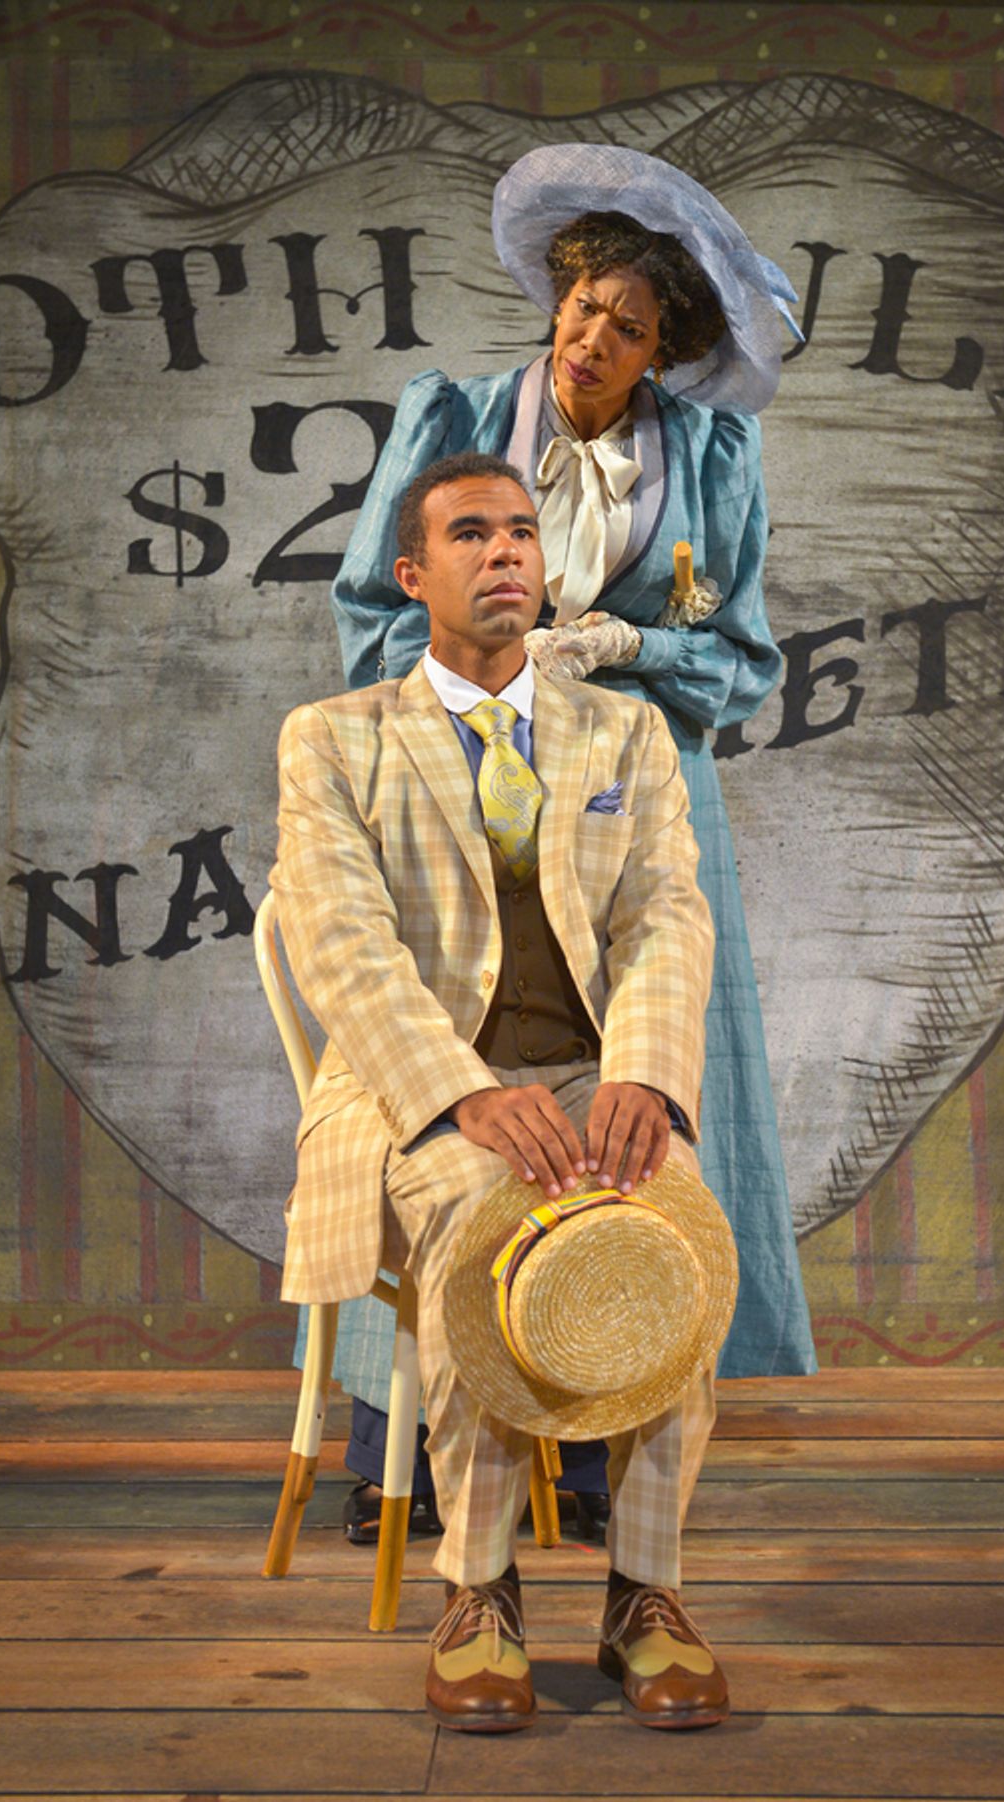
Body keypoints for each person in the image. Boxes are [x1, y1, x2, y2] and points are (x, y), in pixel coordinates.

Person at [311, 142, 817, 1541]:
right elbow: (368, 609)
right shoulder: (459, 411)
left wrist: (624, 646)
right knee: (450, 1085)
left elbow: (740, 663)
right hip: (457, 787)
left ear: (668, 350)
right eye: (585, 305)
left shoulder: (711, 455)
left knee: (623, 1098)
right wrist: (487, 675)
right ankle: (395, 1451)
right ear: (557, 293)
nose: (595, 339)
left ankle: (596, 1438)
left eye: (630, 327)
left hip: (640, 805)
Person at [271, 450, 730, 1730]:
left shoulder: (623, 730)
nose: (507, 553)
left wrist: (641, 1073)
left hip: (594, 1066)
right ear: (414, 575)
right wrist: (467, 1096)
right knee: (490, 1232)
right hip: (422, 1086)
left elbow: (665, 918)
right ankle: (477, 1591)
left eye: (523, 531)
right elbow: (343, 947)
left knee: (678, 1235)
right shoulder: (336, 741)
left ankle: (648, 1589)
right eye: (472, 534)